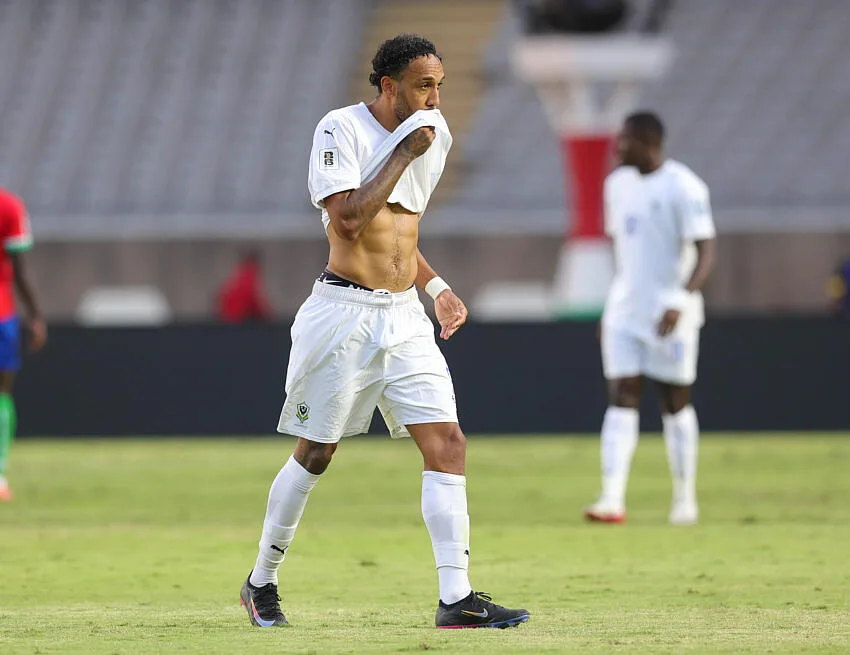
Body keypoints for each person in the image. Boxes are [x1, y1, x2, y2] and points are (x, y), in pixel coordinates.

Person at [239, 35, 529, 629]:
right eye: (424, 86)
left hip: (404, 317)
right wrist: (402, 150)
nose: (435, 99)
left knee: (448, 442)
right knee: (316, 453)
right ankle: (261, 581)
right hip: (342, 315)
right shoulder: (339, 129)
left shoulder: (433, 132)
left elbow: (399, 229)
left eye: (440, 86)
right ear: (389, 85)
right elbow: (349, 222)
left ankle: (456, 599)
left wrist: (436, 287)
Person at [583, 112, 717, 526]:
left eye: (624, 140)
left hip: (671, 313)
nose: (617, 148)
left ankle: (684, 499)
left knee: (674, 402)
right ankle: (611, 498)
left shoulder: (684, 186)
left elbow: (707, 251)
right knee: (621, 395)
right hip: (626, 310)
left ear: (647, 142)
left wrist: (681, 299)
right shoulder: (616, 185)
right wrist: (611, 306)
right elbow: (627, 254)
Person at [0, 189, 46, 501]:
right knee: (2, 394)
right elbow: (18, 268)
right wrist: (36, 315)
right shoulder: (9, 206)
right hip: (1, 313)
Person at [216, 250, 273, 323]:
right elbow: (253, 300)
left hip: (230, 320)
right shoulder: (249, 276)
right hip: (238, 321)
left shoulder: (237, 276)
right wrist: (268, 316)